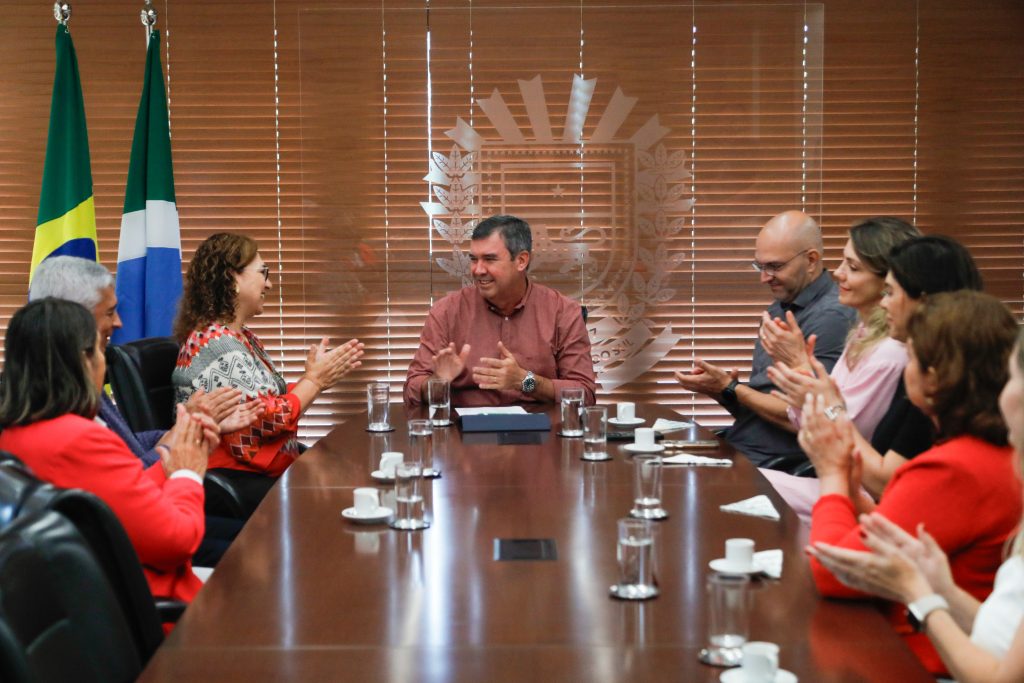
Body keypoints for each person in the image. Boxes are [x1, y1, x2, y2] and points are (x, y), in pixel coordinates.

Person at [800, 291, 1023, 676]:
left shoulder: (957, 468)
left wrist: (832, 477)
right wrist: (855, 498)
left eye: (912, 358)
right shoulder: (989, 456)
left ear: (934, 376)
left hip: (913, 661)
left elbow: (834, 572)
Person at [29, 255, 260, 565]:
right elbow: (130, 488)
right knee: (258, 551)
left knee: (258, 537)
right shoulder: (61, 406)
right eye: (109, 312)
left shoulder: (61, 384)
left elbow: (125, 446)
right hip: (141, 539)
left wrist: (179, 429)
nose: (119, 323)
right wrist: (180, 458)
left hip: (145, 518)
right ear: (74, 316)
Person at [0, 298, 210, 604]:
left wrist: (167, 467)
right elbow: (177, 541)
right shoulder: (82, 439)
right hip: (148, 613)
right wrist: (187, 474)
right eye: (100, 350)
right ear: (82, 361)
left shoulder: (12, 436)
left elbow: (110, 504)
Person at [173, 233, 364, 518]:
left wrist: (314, 378)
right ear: (232, 279)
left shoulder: (240, 337)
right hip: (233, 481)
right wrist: (314, 381)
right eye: (264, 273)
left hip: (258, 472)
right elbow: (267, 418)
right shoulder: (217, 344)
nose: (270, 283)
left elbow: (269, 400)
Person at [758, 217, 919, 517]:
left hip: (854, 492)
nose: (839, 275)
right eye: (843, 263)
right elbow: (809, 420)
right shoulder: (862, 332)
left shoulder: (890, 353)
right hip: (834, 479)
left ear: (889, 280)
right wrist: (802, 378)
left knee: (742, 486)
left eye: (853, 268)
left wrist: (800, 366)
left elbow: (838, 435)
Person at [674, 210, 855, 468]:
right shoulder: (780, 308)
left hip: (777, 464)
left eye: (774, 266)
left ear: (812, 260)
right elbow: (760, 411)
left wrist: (731, 388)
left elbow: (808, 416)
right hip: (743, 449)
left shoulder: (832, 318)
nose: (764, 277)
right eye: (760, 266)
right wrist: (723, 392)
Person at [404, 214, 597, 408]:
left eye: (489, 259)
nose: (478, 270)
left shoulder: (562, 312)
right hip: (463, 433)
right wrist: (439, 381)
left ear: (521, 261)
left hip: (540, 433)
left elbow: (584, 393)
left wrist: (526, 381)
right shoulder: (447, 311)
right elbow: (412, 390)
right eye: (473, 259)